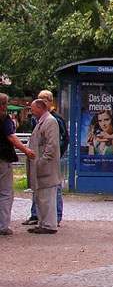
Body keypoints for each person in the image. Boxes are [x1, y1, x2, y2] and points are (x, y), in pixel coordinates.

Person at [25, 90, 66, 226]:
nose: (31, 112)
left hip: (46, 164)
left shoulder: (51, 121)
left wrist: (42, 161)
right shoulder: (38, 121)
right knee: (40, 196)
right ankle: (41, 221)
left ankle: (50, 223)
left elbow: (53, 144)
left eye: (33, 109)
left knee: (49, 195)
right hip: (41, 163)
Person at [1, 94, 35, 236]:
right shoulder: (3, 119)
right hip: (2, 159)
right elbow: (11, 136)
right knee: (5, 192)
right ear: (3, 105)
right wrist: (26, 150)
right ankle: (2, 225)